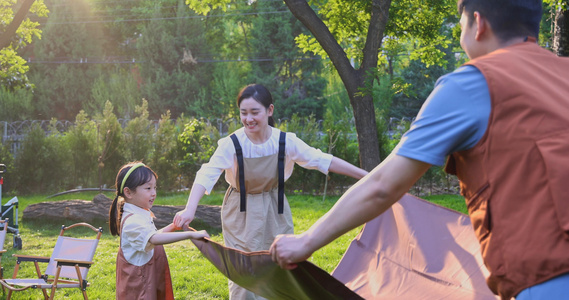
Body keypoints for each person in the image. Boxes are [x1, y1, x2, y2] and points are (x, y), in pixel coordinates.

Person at [270, 1, 569, 299]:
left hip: (546, 278)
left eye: (461, 24)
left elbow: (384, 185)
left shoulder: (472, 83)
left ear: (478, 23)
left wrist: (306, 241)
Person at [173, 83, 368, 299]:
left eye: (254, 112)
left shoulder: (284, 141)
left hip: (275, 208)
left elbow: (321, 160)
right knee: (243, 272)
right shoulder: (232, 144)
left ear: (270, 110)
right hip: (240, 211)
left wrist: (367, 176)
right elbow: (207, 173)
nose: (248, 119)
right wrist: (190, 209)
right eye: (243, 113)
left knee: (281, 266)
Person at [109, 162, 209, 300]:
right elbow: (153, 239)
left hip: (146, 280)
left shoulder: (140, 213)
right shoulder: (132, 221)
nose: (154, 193)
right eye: (148, 188)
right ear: (128, 192)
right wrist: (190, 234)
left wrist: (173, 227)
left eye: (155, 187)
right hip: (138, 286)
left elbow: (151, 237)